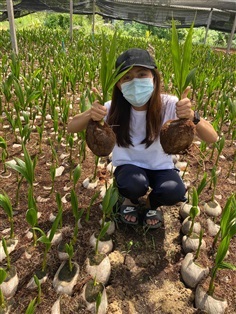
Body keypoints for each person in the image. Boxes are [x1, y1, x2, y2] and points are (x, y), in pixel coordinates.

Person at [68, 48, 218, 228]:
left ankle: (150, 204)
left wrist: (192, 115)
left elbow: (213, 138)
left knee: (174, 191)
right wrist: (91, 114)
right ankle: (130, 201)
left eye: (141, 74)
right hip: (129, 167)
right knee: (133, 184)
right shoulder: (112, 108)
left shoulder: (170, 104)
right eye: (127, 78)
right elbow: (71, 127)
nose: (135, 82)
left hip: (160, 167)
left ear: (153, 77)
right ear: (118, 84)